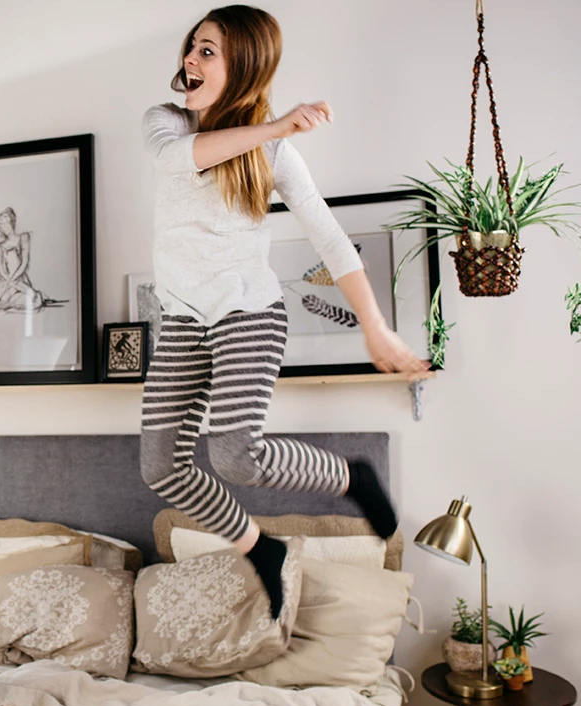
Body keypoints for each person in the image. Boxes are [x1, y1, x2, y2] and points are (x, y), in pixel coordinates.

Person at [140, 5, 428, 621]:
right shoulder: (165, 123)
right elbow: (179, 161)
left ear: (241, 65)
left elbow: (329, 238)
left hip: (248, 313)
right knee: (161, 466)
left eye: (207, 51)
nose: (190, 59)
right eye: (192, 47)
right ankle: (261, 550)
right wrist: (275, 129)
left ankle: (353, 478)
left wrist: (375, 327)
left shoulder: (275, 156)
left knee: (235, 456)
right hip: (185, 319)